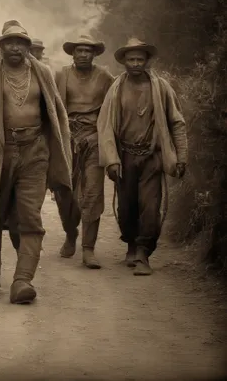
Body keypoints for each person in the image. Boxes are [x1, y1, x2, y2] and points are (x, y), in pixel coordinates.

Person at [0, 21, 73, 303]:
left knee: (29, 218)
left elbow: (57, 117)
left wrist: (58, 156)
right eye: (9, 42)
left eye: (20, 42)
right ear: (0, 47)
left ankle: (22, 281)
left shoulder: (42, 73)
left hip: (34, 153)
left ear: (27, 46)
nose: (14, 47)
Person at [97, 38, 188, 275]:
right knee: (127, 207)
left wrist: (181, 157)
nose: (135, 63)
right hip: (125, 156)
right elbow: (105, 125)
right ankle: (130, 244)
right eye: (131, 59)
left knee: (150, 207)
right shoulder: (116, 88)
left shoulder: (162, 88)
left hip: (152, 156)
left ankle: (143, 253)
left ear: (147, 61)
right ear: (124, 62)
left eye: (140, 59)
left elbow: (176, 122)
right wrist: (111, 160)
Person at [54, 34, 114, 269]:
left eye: (87, 51)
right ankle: (71, 234)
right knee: (64, 193)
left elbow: (113, 108)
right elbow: (52, 107)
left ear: (94, 54)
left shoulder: (105, 77)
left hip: (94, 139)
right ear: (72, 53)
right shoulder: (61, 75)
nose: (82, 54)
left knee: (92, 192)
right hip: (66, 140)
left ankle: (88, 248)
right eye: (78, 50)